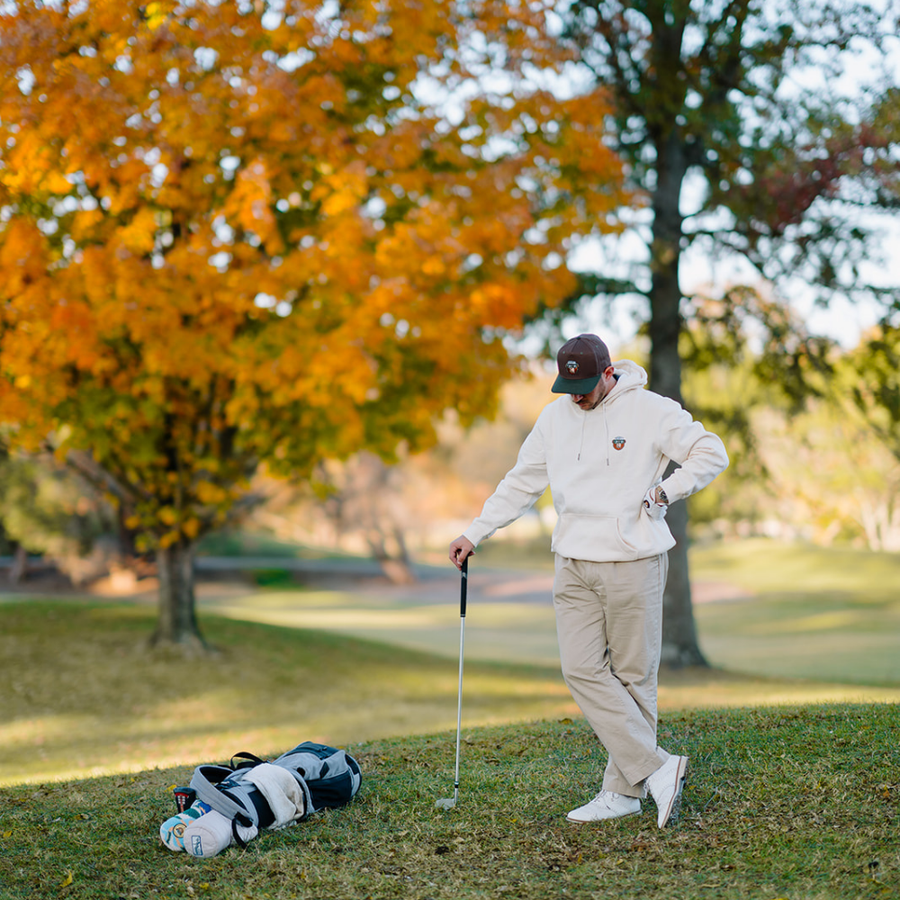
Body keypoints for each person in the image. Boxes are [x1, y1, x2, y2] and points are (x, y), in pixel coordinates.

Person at [449, 334, 728, 828]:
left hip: (632, 561)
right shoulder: (554, 418)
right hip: (572, 562)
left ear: (607, 373)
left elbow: (711, 451)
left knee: (634, 679)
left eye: (583, 385)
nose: (575, 396)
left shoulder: (650, 409)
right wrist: (475, 532)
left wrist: (667, 490)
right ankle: (661, 770)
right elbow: (521, 482)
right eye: (567, 385)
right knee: (580, 669)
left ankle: (622, 792)